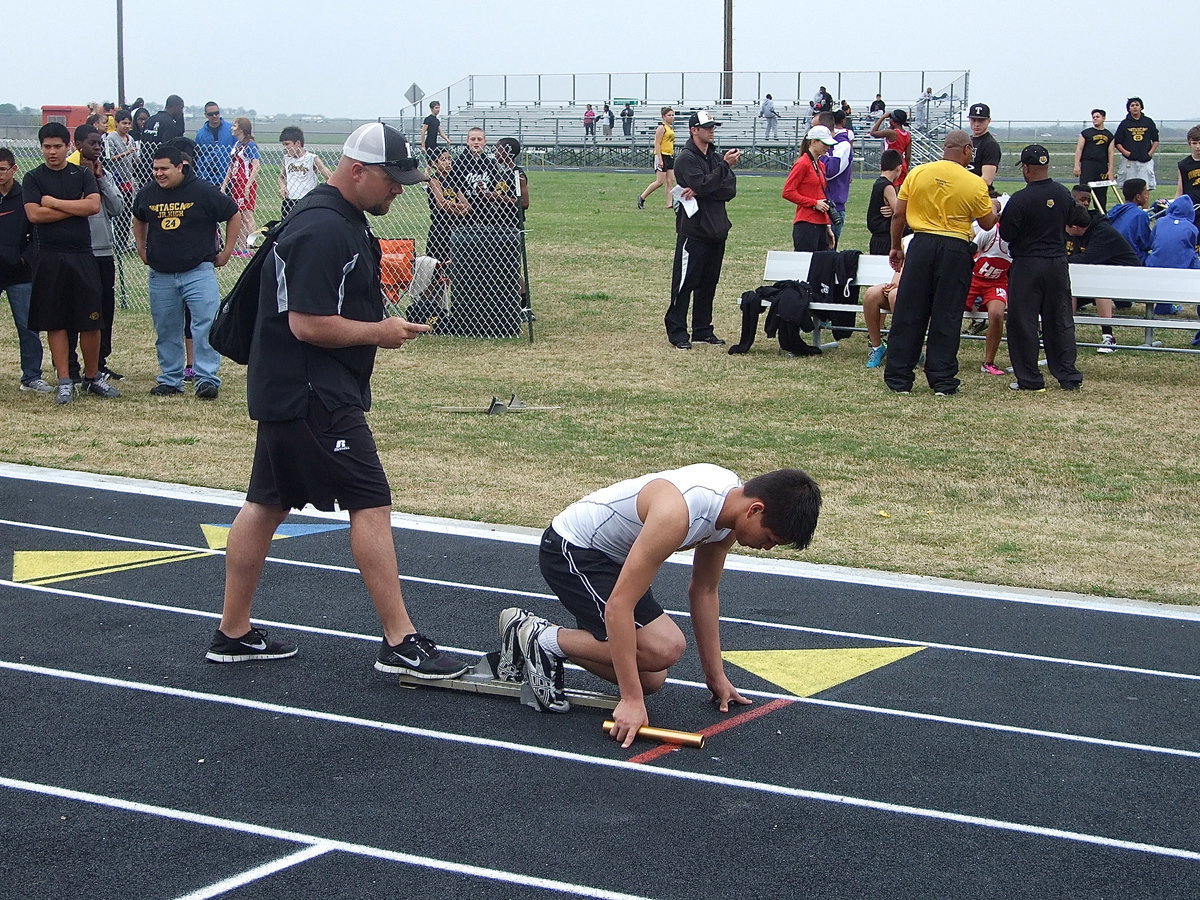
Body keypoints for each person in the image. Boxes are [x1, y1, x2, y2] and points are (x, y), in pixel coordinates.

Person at [208, 121, 468, 682]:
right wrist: (381, 331)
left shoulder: (332, 217)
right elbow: (307, 323)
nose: (398, 189)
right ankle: (399, 640)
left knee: (266, 503)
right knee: (369, 501)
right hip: (312, 392)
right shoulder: (325, 228)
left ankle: (232, 631)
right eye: (391, 179)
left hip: (291, 387)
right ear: (356, 170)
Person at [496, 465, 821, 744]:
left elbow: (704, 591)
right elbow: (619, 605)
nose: (766, 548)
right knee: (663, 649)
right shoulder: (677, 513)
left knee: (651, 678)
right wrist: (630, 700)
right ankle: (537, 636)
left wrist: (716, 676)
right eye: (770, 539)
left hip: (614, 562)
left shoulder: (731, 512)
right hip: (572, 551)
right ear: (755, 510)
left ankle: (548, 641)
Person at [882, 130, 995, 396]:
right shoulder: (975, 182)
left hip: (921, 244)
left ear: (945, 148)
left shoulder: (918, 173)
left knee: (909, 312)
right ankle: (942, 379)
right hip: (955, 249)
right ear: (966, 150)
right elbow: (987, 223)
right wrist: (995, 206)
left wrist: (896, 247)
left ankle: (899, 378)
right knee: (947, 314)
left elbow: (899, 214)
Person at [132, 144, 240, 399]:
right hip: (161, 274)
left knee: (205, 326)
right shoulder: (148, 192)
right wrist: (141, 247)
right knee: (167, 328)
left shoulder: (203, 191)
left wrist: (226, 252)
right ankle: (170, 379)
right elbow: (139, 217)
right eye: (155, 168)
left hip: (198, 271)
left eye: (164, 169)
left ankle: (206, 379)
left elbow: (233, 214)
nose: (158, 174)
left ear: (180, 167)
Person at [22, 122, 119, 405]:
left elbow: (92, 206)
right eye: (47, 147)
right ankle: (65, 380)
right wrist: (73, 207)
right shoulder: (33, 177)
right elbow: (34, 215)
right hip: (49, 256)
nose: (52, 152)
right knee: (56, 321)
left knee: (91, 320)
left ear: (68, 147)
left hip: (82, 255)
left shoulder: (82, 174)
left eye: (57, 146)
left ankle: (92, 377)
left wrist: (53, 203)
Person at [999, 145, 1083, 392]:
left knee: (1023, 322)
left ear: (1026, 168)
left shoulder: (1020, 198)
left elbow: (1007, 233)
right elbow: (1080, 219)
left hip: (1028, 264)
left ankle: (1030, 378)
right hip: (1057, 262)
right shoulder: (1062, 192)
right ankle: (1068, 375)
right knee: (1059, 319)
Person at [664, 110, 741, 350]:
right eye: (706, 127)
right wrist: (718, 173)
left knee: (709, 283)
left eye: (712, 127)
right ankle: (677, 331)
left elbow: (729, 189)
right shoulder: (686, 159)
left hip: (717, 229)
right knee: (684, 283)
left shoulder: (715, 158)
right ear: (694, 130)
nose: (711, 131)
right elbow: (703, 183)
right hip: (694, 231)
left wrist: (703, 188)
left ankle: (702, 329)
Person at [67, 126, 124, 382]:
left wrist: (100, 180)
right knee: (72, 310)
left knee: (103, 310)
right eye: (92, 143)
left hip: (102, 252)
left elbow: (117, 207)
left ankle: (99, 363)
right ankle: (69, 365)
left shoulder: (104, 174)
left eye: (100, 143)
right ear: (78, 144)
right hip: (75, 250)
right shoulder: (68, 173)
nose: (98, 147)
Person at [0, 148, 51, 393]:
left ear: (13, 169)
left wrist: (24, 259)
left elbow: (38, 233)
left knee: (27, 327)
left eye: (2, 169)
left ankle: (31, 376)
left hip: (19, 274)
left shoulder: (25, 196)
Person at [1066, 203, 1141, 352]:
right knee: (1068, 285)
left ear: (1074, 227)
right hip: (1103, 274)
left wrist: (1057, 261)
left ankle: (1108, 337)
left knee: (1099, 285)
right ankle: (1066, 335)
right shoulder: (1079, 233)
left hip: (1130, 277)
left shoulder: (1103, 233)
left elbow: (1086, 259)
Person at [964, 193, 1012, 377]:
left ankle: (988, 362)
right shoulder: (990, 232)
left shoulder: (1021, 238)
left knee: (997, 314)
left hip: (997, 282)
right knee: (948, 310)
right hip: (973, 279)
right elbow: (970, 252)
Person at [783, 125, 834, 252]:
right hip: (806, 223)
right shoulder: (802, 163)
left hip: (821, 223)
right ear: (814, 141)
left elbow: (821, 195)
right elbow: (788, 192)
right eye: (825, 143)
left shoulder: (821, 165)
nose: (828, 147)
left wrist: (827, 225)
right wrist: (814, 203)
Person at [220, 117, 261, 256]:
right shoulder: (237, 145)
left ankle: (250, 247)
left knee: (248, 216)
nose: (232, 128)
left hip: (245, 183)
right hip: (236, 184)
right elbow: (231, 166)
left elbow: (256, 165)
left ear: (242, 129)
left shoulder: (250, 145)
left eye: (235, 126)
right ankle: (242, 247)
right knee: (240, 217)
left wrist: (248, 185)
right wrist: (224, 184)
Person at [424, 147, 470, 261]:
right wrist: (459, 210)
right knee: (439, 260)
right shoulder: (434, 180)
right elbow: (441, 204)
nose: (448, 162)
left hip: (457, 226)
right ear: (435, 163)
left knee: (456, 258)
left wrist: (457, 207)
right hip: (441, 226)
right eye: (443, 160)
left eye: (449, 159)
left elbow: (466, 204)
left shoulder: (453, 180)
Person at [278, 126, 333, 219]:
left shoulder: (312, 158)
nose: (285, 148)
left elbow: (329, 176)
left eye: (287, 144)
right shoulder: (287, 159)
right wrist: (282, 187)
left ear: (298, 143)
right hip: (289, 201)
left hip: (307, 200)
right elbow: (281, 177)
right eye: (283, 145)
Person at [103, 109, 139, 248]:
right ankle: (117, 241)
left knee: (127, 210)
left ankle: (124, 241)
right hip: (116, 178)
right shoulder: (111, 138)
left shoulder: (131, 139)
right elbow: (110, 158)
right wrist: (126, 152)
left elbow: (135, 159)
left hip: (128, 179)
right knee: (116, 211)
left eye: (129, 123)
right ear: (117, 123)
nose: (126, 126)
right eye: (124, 123)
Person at [822, 111, 855, 246]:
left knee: (828, 250)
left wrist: (819, 155)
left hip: (833, 206)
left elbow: (830, 171)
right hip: (816, 206)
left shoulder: (843, 143)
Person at [1073, 109, 1115, 212]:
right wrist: (1077, 166)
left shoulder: (1109, 135)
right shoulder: (1086, 133)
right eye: (1093, 117)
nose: (1095, 119)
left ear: (1104, 118)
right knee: (1084, 191)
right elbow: (1079, 149)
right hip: (1088, 165)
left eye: (1097, 117)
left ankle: (1101, 214)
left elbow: (1111, 153)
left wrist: (1110, 170)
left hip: (1102, 166)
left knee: (1101, 194)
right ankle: (1081, 213)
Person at [1114, 97, 1159, 190]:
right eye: (1132, 105)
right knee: (1128, 188)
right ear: (1129, 108)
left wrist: (1149, 153)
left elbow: (1156, 140)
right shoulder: (1124, 124)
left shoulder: (1148, 122)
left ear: (1141, 107)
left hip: (1145, 160)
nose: (1135, 107)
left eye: (1137, 105)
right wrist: (1127, 153)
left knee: (1145, 187)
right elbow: (1117, 142)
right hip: (1129, 161)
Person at [637, 107, 676, 210]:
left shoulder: (670, 128)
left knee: (671, 181)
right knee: (660, 181)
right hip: (662, 155)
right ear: (663, 117)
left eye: (672, 115)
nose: (671, 117)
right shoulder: (661, 128)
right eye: (669, 115)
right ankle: (642, 197)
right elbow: (657, 144)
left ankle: (669, 203)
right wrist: (660, 158)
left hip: (669, 155)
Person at [867, 148, 904, 256]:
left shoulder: (878, 183)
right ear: (899, 168)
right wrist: (894, 211)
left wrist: (892, 211)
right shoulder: (888, 186)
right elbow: (898, 211)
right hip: (885, 239)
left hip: (877, 239)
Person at [1107, 178, 1153, 262]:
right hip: (1132, 258)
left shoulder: (1115, 210)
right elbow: (1146, 244)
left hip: (1112, 256)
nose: (1147, 196)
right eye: (1145, 193)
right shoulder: (1140, 215)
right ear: (1138, 197)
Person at [194, 101, 236, 186]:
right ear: (206, 115)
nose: (214, 116)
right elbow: (198, 156)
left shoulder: (231, 130)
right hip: (208, 179)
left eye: (216, 113)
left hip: (229, 178)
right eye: (210, 114)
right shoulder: (200, 134)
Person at [869, 109, 911, 185]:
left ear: (894, 121)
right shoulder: (908, 135)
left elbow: (873, 133)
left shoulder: (892, 133)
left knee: (890, 189)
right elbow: (908, 156)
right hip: (902, 164)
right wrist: (906, 168)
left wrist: (882, 117)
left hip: (891, 164)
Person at [966, 103, 1001, 187]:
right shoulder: (966, 140)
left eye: (981, 120)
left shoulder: (990, 145)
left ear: (988, 120)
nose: (976, 124)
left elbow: (987, 180)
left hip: (979, 191)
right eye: (973, 120)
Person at [1175, 124, 1200, 223]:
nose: (1197, 146)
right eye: (1194, 143)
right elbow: (1180, 190)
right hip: (1192, 208)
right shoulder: (1183, 165)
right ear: (1189, 143)